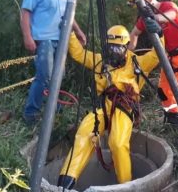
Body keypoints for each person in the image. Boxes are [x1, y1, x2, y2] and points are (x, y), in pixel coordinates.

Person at [58, 22, 162, 189]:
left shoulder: (137, 63)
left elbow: (157, 55)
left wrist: (160, 36)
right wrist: (70, 32)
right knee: (84, 133)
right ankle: (65, 182)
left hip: (124, 109)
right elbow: (79, 54)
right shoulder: (100, 61)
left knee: (118, 143)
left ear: (127, 46)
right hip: (102, 106)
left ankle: (126, 186)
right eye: (111, 48)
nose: (113, 53)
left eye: (118, 48)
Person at [20, 0, 86, 125]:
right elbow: (25, 13)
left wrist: (78, 31)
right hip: (44, 39)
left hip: (61, 39)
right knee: (44, 76)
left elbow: (68, 13)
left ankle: (54, 108)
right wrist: (27, 36)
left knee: (58, 75)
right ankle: (31, 114)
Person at [127, 0, 178, 129]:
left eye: (139, 3)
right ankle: (173, 117)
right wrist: (127, 54)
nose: (138, 8)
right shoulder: (145, 18)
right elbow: (134, 34)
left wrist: (154, 18)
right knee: (164, 90)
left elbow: (170, 16)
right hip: (169, 57)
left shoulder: (168, 6)